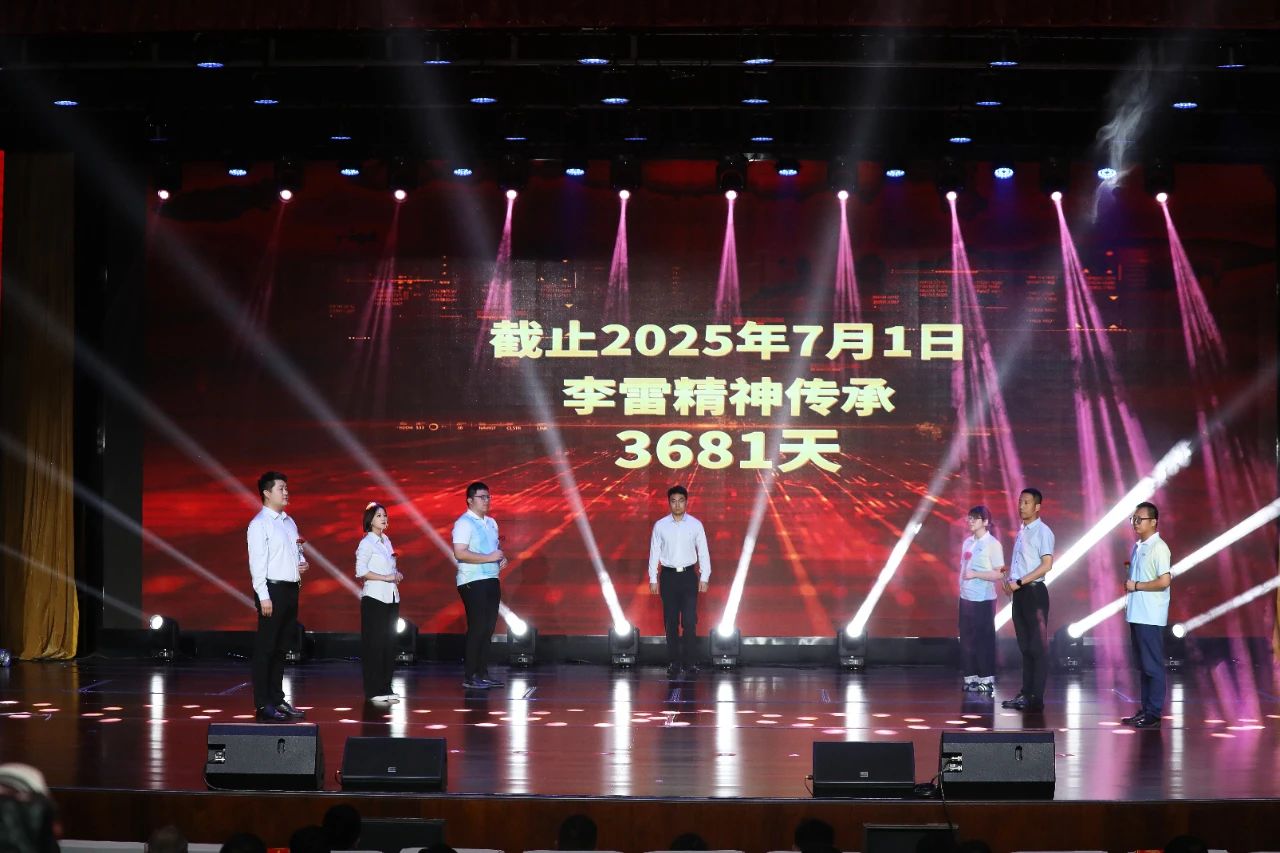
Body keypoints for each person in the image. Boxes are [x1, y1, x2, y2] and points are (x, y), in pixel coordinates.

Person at [247, 470, 308, 721]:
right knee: (267, 647)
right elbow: (257, 563)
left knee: (282, 647)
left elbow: (295, 552)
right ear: (266, 493)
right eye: (281, 488)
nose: (286, 492)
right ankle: (263, 703)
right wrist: (263, 596)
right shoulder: (259, 524)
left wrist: (301, 563)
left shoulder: (289, 522)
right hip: (271, 590)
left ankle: (277, 697)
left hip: (291, 589)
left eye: (286, 488)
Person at [648, 485, 711, 678]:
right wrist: (653, 578)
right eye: (673, 501)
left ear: (686, 502)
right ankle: (674, 663)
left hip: (688, 576)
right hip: (668, 577)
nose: (677, 505)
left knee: (690, 621)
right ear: (669, 503)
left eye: (681, 501)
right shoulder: (660, 525)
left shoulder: (695, 525)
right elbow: (654, 552)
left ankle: (690, 663)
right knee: (671, 621)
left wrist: (705, 576)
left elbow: (703, 551)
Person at [1000, 488, 1054, 712]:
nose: (1021, 506)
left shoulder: (1042, 531)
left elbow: (1047, 564)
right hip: (1020, 593)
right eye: (1020, 502)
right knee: (1025, 646)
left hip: (1034, 592)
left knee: (1037, 648)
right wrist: (1011, 582)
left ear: (1037, 506)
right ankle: (1026, 692)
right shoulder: (1022, 532)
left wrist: (1020, 582)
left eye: (1026, 502)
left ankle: (1035, 697)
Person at [1121, 501, 1172, 729]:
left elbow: (1164, 581)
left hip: (1150, 616)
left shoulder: (1159, 547)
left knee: (1153, 666)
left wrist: (1137, 586)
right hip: (1137, 614)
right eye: (1133, 519)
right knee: (1143, 666)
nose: (1135, 523)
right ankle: (1145, 709)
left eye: (1140, 519)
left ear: (1153, 522)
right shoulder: (1138, 546)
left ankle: (1154, 713)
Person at [452, 481, 508, 690]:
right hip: (472, 581)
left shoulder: (491, 523)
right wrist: (489, 557)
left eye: (488, 497)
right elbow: (460, 552)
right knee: (477, 628)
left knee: (488, 628)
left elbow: (493, 549)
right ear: (470, 500)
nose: (486, 501)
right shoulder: (464, 523)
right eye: (482, 497)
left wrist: (500, 558)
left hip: (492, 579)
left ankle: (482, 673)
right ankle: (470, 676)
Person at [356, 502, 402, 705]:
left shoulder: (386, 540)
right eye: (378, 516)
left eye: (385, 515)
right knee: (374, 645)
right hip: (375, 598)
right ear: (370, 520)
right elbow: (361, 571)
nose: (383, 519)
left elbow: (389, 568)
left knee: (389, 644)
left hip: (391, 597)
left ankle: (386, 686)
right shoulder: (367, 543)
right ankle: (373, 689)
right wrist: (386, 577)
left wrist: (395, 575)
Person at [958, 505, 1005, 694]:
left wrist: (976, 574)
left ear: (985, 522)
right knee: (967, 639)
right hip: (965, 597)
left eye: (975, 518)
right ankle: (971, 678)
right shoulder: (967, 542)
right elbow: (963, 567)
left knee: (983, 639)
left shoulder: (993, 544)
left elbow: (1000, 572)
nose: (970, 521)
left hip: (983, 599)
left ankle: (987, 678)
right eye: (969, 518)